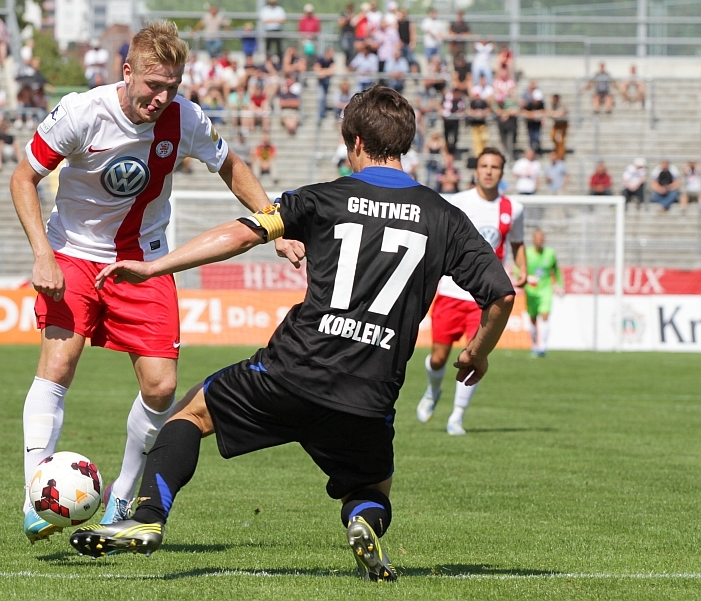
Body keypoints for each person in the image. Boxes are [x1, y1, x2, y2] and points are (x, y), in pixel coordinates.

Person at [69, 87, 517, 580]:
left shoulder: (324, 197)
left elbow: (241, 233)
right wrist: (477, 353)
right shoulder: (444, 217)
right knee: (371, 487)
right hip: (369, 393)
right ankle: (362, 523)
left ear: (356, 142)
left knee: (188, 415)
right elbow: (501, 294)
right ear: (405, 143)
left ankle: (148, 516)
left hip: (293, 371)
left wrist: (155, 267)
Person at [9, 20, 304, 543]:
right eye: (153, 85)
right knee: (58, 364)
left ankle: (123, 493)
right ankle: (37, 494)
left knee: (162, 386)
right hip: (73, 253)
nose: (161, 97)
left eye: (172, 86)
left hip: (144, 260)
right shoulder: (81, 112)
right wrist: (42, 255)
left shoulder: (185, 118)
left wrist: (274, 224)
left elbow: (230, 165)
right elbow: (23, 178)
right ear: (127, 72)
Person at [417, 147, 526, 435]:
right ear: (476, 170)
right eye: (484, 166)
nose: (489, 171)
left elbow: (517, 242)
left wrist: (522, 268)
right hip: (452, 292)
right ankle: (433, 390)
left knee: (473, 356)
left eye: (495, 167)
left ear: (502, 172)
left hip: (485, 298)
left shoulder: (513, 209)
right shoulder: (456, 202)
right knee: (438, 358)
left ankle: (457, 417)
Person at [523, 228, 562, 358]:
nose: (539, 241)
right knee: (533, 318)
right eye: (537, 238)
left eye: (541, 239)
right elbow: (519, 270)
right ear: (533, 240)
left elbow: (556, 270)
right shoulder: (527, 254)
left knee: (545, 315)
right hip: (531, 291)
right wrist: (527, 278)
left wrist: (559, 284)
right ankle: (534, 345)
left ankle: (543, 346)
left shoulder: (550, 253)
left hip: (546, 290)